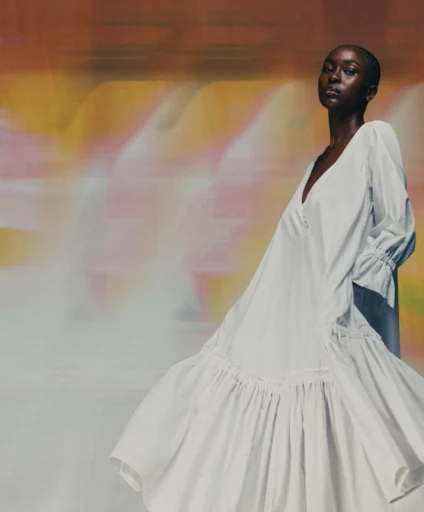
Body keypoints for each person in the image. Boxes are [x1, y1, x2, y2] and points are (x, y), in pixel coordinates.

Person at [110, 45, 423, 511]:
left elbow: (398, 228)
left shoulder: (375, 139)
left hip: (331, 321)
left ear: (370, 89)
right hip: (283, 327)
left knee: (343, 446)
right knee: (269, 443)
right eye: (329, 68)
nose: (335, 77)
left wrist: (350, 289)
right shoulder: (317, 162)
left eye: (350, 71)